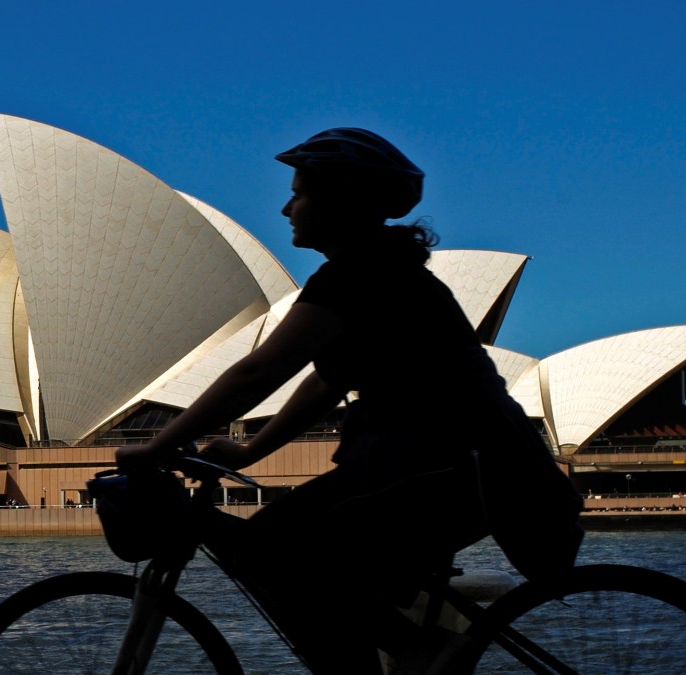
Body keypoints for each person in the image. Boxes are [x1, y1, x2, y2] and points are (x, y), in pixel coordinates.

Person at [117, 128, 583, 673]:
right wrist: (249, 453)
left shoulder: (358, 273)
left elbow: (258, 372)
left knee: (273, 545)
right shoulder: (380, 267)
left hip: (458, 467)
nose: (287, 206)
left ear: (342, 200)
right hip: (466, 464)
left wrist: (157, 446)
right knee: (300, 554)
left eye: (301, 193)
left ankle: (420, 651)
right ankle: (410, 651)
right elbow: (324, 383)